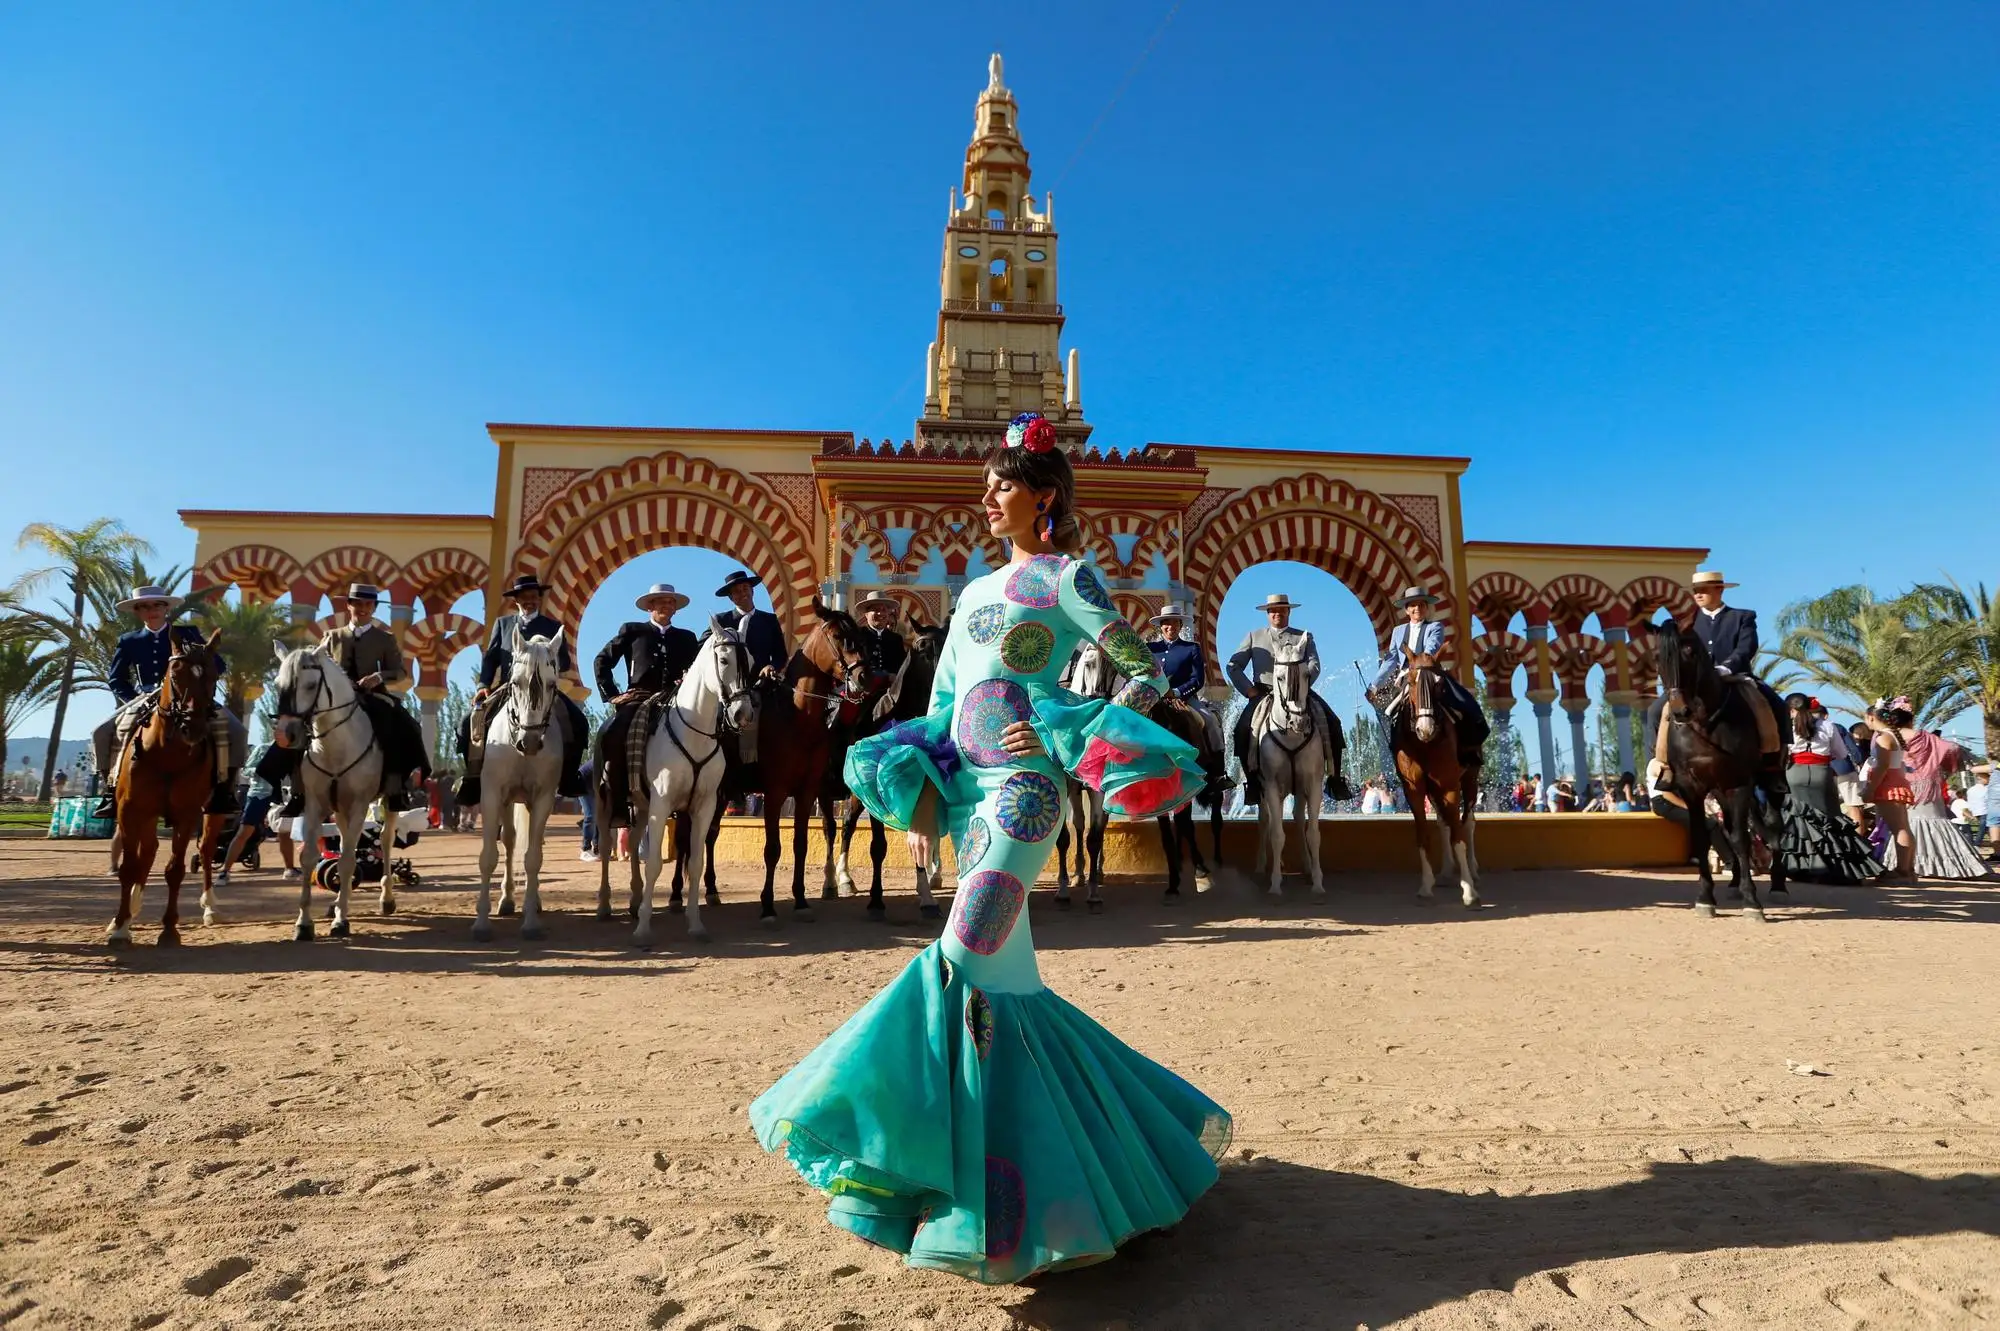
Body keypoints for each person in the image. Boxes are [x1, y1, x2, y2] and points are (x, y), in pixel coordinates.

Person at [748, 411, 1228, 1283]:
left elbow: (1146, 671)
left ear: (1041, 495)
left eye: (1003, 483)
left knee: (959, 952)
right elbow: (940, 704)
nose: (987, 494)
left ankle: (891, 1148)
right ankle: (1070, 1178)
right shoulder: (970, 595)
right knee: (1005, 987)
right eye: (987, 483)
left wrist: (1053, 725)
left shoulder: (1069, 579)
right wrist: (920, 785)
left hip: (1027, 793)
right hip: (967, 801)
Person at [90, 585, 245, 819]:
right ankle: (111, 790)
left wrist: (199, 667)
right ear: (137, 612)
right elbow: (117, 678)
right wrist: (134, 700)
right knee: (100, 733)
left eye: (156, 605)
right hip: (145, 697)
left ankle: (225, 791)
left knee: (237, 730)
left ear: (166, 608)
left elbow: (218, 665)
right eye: (144, 606)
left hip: (189, 697)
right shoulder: (128, 641)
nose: (151, 610)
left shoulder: (189, 633)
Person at [1644, 571, 1791, 805]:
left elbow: (1746, 648)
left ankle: (1774, 767)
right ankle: (1662, 766)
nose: (1698, 595)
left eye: (1703, 590)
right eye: (1695, 591)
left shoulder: (1742, 617)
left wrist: (1726, 668)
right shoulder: (1686, 622)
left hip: (1734, 676)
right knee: (1655, 710)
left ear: (1719, 590)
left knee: (1775, 704)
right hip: (1695, 684)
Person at [456, 575, 588, 804]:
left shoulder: (553, 627)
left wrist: (549, 656)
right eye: (524, 597)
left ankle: (568, 778)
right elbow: (491, 659)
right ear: (516, 600)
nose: (530, 601)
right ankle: (473, 778)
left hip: (544, 691)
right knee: (468, 721)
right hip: (510, 687)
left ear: (539, 599)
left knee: (578, 721)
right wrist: (483, 686)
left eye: (534, 597)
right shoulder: (504, 624)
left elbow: (564, 663)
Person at [592, 583, 700, 824]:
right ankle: (618, 802)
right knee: (616, 732)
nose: (666, 605)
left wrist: (688, 676)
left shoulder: (687, 637)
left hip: (676, 698)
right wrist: (612, 695)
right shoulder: (633, 630)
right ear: (650, 606)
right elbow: (602, 660)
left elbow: (697, 669)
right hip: (639, 697)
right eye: (660, 600)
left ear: (676, 608)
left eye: (671, 601)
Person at [1227, 593, 1347, 804]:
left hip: (1298, 692)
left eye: (1281, 610)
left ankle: (1335, 778)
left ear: (1288, 612)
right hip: (1263, 692)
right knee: (1241, 730)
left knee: (1333, 722)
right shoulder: (1254, 637)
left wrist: (1300, 684)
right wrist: (1248, 690)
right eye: (1273, 610)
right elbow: (1233, 666)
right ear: (1267, 614)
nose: (1277, 614)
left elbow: (1314, 665)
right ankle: (1252, 781)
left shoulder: (1304, 636)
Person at [1881, 697, 1992, 880]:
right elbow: (1952, 748)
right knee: (1934, 820)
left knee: (1905, 825)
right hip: (1929, 784)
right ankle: (1951, 865)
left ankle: (1906, 865)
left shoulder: (1889, 736)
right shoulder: (1927, 737)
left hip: (1901, 784)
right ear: (1911, 718)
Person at [1369, 587, 1491, 749]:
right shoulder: (1398, 632)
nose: (1417, 608)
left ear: (1426, 608)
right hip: (1408, 677)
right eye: (1413, 605)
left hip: (1430, 673)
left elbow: (1431, 648)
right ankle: (1396, 753)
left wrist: (1421, 662)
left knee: (1464, 701)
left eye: (1421, 605)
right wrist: (1375, 685)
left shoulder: (1435, 627)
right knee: (1389, 713)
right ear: (1406, 610)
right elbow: (1391, 660)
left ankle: (1470, 747)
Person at [1778, 693, 1881, 883]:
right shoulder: (1827, 726)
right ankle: (1834, 868)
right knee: (1829, 818)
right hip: (1821, 772)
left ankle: (1802, 868)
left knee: (1800, 820)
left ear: (1791, 710)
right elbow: (1841, 754)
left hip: (1794, 773)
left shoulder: (1787, 727)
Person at [714, 570, 788, 766]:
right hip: (732, 687)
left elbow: (781, 654)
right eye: (736, 591)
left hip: (764, 684)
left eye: (745, 588)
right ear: (731, 597)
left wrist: (772, 665)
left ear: (752, 591)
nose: (742, 593)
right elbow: (704, 647)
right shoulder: (722, 621)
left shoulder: (769, 620)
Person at [1146, 604, 1226, 757]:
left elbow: (1197, 680)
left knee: (1210, 721)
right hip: (1153, 698)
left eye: (1175, 622)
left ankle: (1218, 769)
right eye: (1167, 622)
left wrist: (1176, 692)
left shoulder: (1191, 648)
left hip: (1185, 699)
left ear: (1181, 625)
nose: (1171, 626)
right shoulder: (1150, 649)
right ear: (1161, 626)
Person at [219, 739, 298, 884]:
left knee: (285, 833)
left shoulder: (293, 751)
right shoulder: (263, 748)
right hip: (259, 794)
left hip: (282, 796)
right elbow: (246, 770)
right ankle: (225, 871)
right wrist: (262, 769)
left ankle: (289, 869)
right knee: (244, 831)